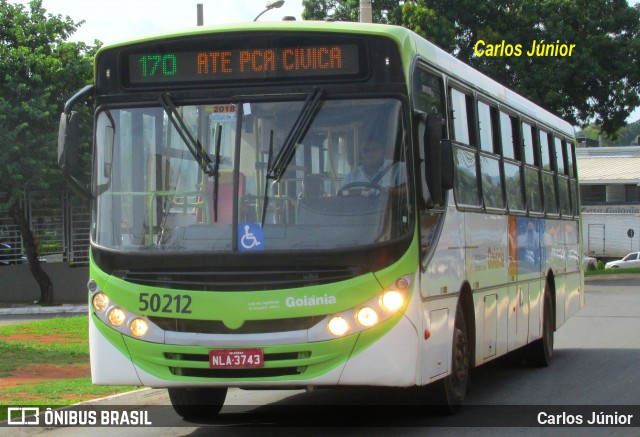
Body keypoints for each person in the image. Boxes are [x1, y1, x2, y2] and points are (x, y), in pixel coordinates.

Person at [341, 137, 406, 193]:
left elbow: (410, 189)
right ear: (361, 153)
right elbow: (342, 198)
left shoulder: (399, 168)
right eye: (366, 150)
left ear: (383, 150)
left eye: (374, 149)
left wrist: (395, 192)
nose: (370, 154)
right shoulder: (351, 178)